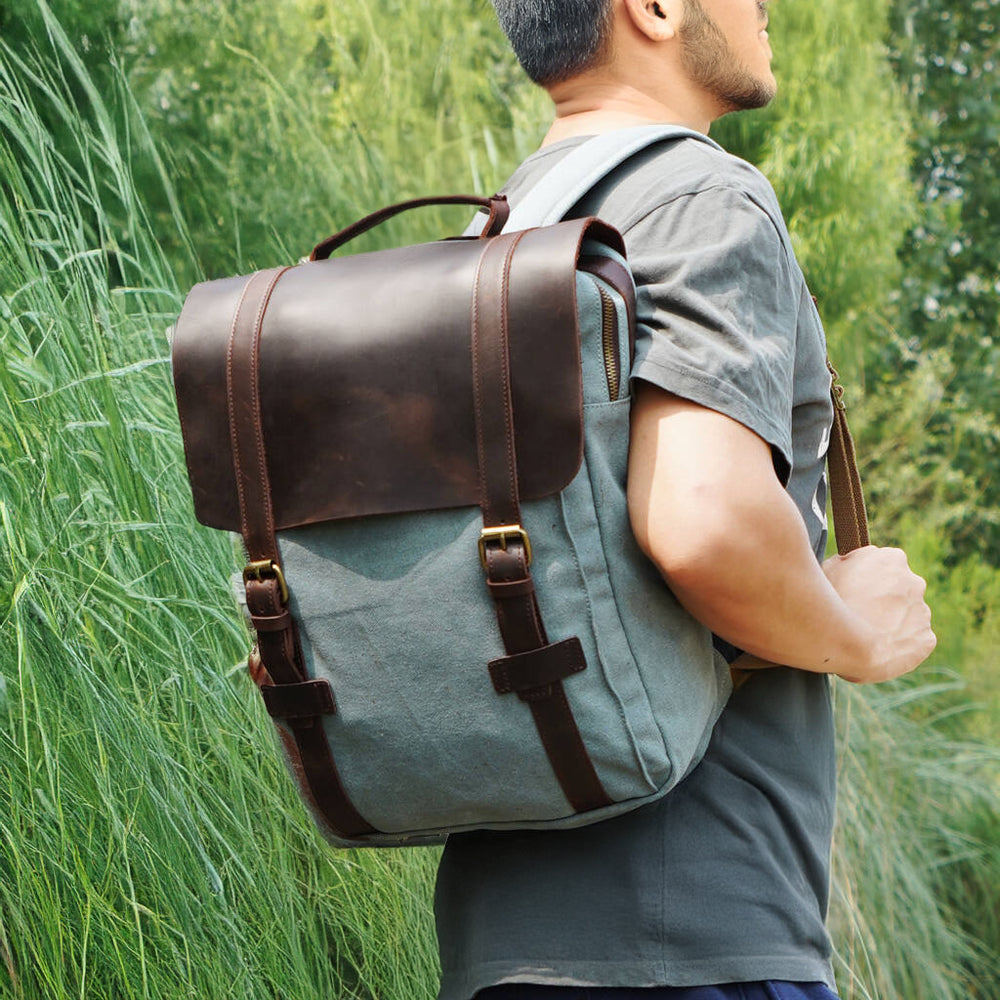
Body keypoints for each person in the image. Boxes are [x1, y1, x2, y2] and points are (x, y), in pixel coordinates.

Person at [433, 2, 937, 999]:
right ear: (654, 10)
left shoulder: (485, 244)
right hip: (698, 936)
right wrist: (855, 631)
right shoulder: (701, 196)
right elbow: (699, 520)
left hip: (499, 946)